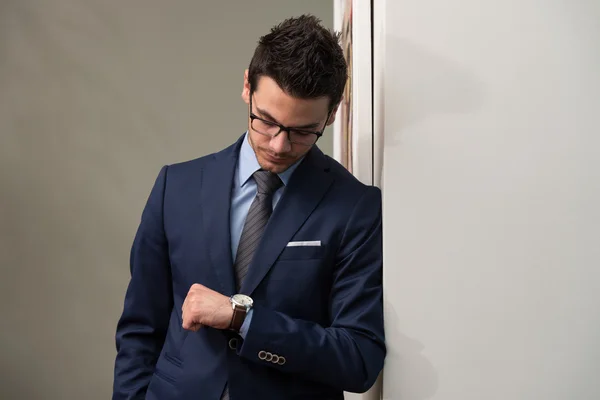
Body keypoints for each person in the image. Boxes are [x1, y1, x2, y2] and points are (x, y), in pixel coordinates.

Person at [112, 14, 385, 400]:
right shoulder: (177, 186)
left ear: (332, 115)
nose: (278, 145)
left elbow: (359, 359)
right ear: (247, 87)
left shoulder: (356, 206)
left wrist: (243, 320)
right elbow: (140, 329)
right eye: (266, 121)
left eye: (303, 131)